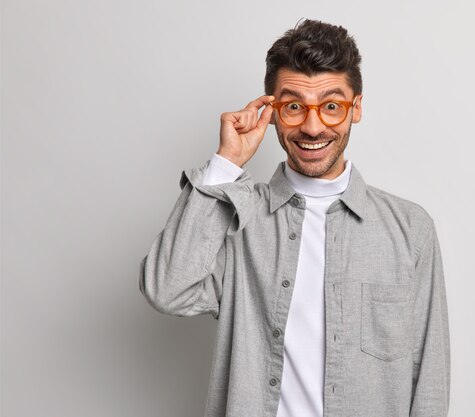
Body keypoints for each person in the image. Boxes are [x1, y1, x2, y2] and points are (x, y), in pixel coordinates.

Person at [140, 19, 450, 417]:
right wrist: (226, 164)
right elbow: (166, 290)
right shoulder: (239, 220)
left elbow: (429, 379)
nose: (312, 125)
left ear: (356, 108)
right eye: (293, 107)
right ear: (272, 111)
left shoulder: (410, 229)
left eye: (332, 106)